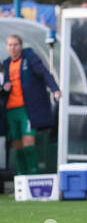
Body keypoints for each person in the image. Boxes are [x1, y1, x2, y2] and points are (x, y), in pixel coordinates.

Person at [2, 35, 61, 175]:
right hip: (11, 110)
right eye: (10, 45)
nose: (13, 48)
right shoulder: (6, 63)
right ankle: (21, 178)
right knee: (17, 146)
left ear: (21, 46)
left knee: (28, 143)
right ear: (7, 47)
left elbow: (44, 73)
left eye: (15, 44)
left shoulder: (30, 58)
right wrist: (5, 88)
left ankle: (32, 177)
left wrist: (55, 89)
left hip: (27, 109)